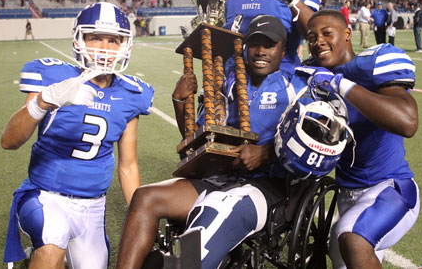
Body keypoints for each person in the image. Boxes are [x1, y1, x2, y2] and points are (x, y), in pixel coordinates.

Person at [115, 15, 311, 269]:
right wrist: (180, 101)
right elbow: (195, 136)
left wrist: (266, 153)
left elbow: (311, 145)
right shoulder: (228, 84)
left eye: (269, 45)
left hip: (266, 186)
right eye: (255, 44)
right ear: (245, 48)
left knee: (218, 209)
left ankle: (182, 262)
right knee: (145, 197)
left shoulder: (298, 86)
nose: (260, 51)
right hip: (220, 177)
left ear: (283, 50)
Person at [2, 2, 154, 269]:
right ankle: (42, 251)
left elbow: (128, 165)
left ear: (125, 45)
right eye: (95, 37)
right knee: (51, 245)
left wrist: (140, 213)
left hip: (93, 207)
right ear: (79, 39)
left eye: (113, 40)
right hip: (45, 196)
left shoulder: (131, 94)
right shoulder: (52, 76)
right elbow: (9, 141)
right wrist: (45, 99)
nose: (103, 48)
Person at [301, 9, 420, 269]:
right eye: (311, 37)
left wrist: (342, 85)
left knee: (353, 238)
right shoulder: (313, 77)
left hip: (389, 189)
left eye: (327, 34)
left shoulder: (371, 67)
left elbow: (408, 122)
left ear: (347, 35)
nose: (318, 41)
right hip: (346, 195)